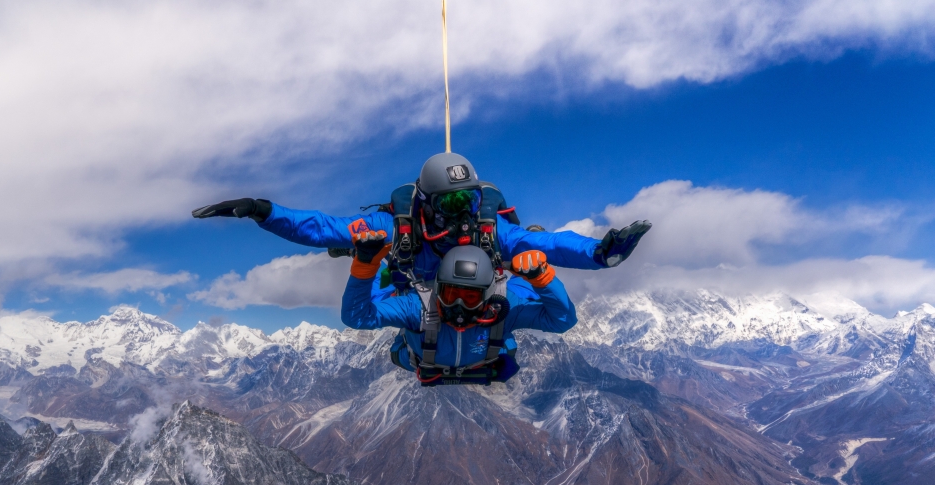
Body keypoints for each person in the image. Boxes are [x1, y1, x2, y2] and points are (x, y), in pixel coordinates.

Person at [191, 152, 651, 293]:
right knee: (363, 250)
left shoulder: (488, 229)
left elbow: (553, 244)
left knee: (529, 244)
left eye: (466, 202)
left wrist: (599, 253)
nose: (460, 216)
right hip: (412, 271)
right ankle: (364, 258)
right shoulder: (399, 228)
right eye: (448, 206)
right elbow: (321, 227)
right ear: (426, 204)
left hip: (460, 283)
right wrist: (264, 211)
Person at [340, 229, 577, 386]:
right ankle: (372, 258)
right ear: (437, 288)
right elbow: (356, 317)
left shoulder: (503, 303)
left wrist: (541, 277)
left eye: (470, 297)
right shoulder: (419, 305)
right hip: (480, 358)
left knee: (522, 285)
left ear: (488, 295)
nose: (459, 305)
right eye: (451, 294)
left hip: (430, 359)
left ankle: (526, 250)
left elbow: (563, 320)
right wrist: (364, 265)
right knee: (386, 292)